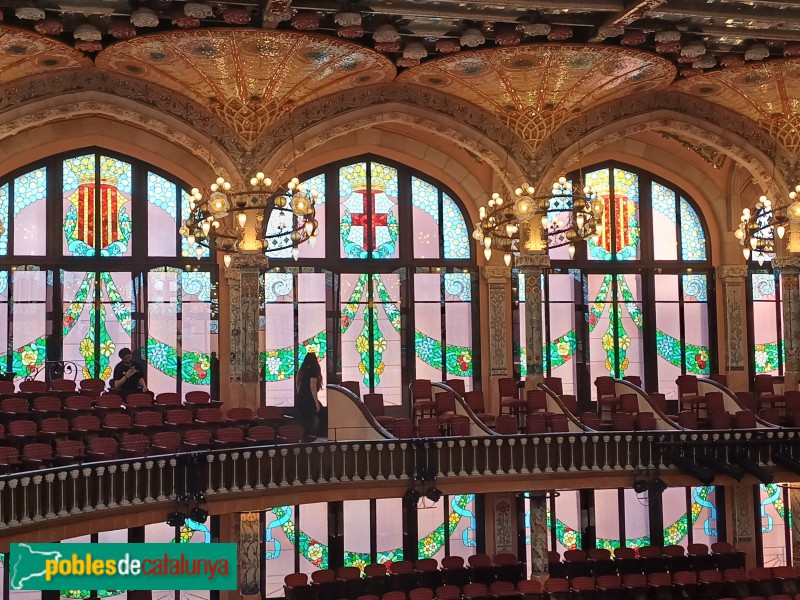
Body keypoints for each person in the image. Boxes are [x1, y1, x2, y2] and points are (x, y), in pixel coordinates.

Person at [295, 352, 326, 435]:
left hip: (301, 398)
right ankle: (313, 435)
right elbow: (312, 388)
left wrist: (300, 395)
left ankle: (304, 436)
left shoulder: (302, 370)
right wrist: (316, 402)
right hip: (309, 399)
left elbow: (298, 385)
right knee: (317, 416)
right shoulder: (313, 370)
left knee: (304, 419)